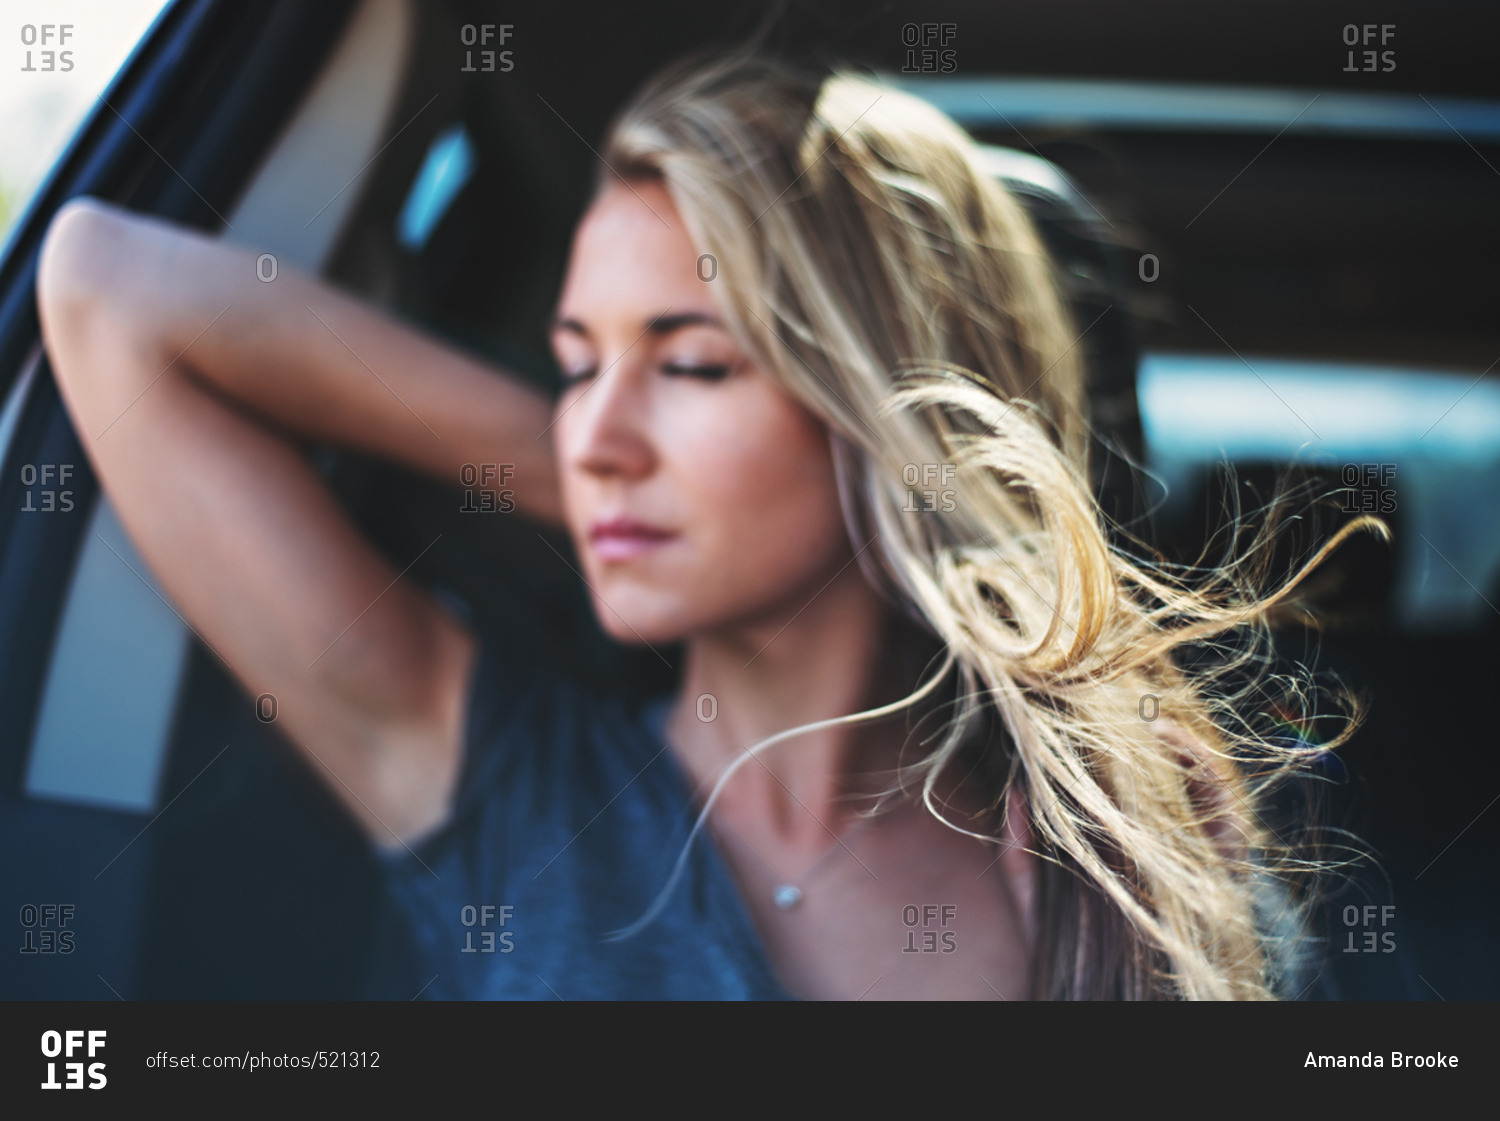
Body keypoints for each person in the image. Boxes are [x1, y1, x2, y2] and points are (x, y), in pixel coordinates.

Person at [35, 52, 1378, 1000]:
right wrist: (617, 476)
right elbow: (104, 288)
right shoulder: (495, 781)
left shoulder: (1110, 859)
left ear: (883, 410)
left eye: (690, 364)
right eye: (574, 362)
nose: (597, 428)